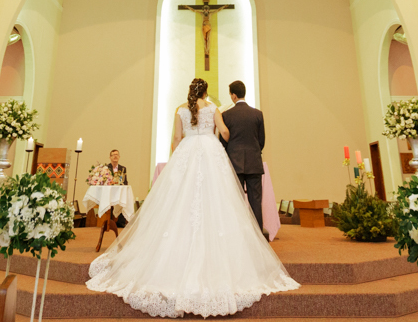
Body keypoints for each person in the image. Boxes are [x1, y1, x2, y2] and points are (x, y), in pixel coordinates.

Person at [86, 77, 298, 318]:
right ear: (205, 93)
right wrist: (221, 138)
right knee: (219, 199)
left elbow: (176, 139)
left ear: (190, 91)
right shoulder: (213, 108)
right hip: (210, 151)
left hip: (187, 151)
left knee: (181, 202)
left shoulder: (180, 110)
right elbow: (225, 132)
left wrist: (178, 160)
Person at [221, 80, 267, 238]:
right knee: (256, 202)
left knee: (236, 201)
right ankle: (258, 237)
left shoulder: (226, 115)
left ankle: (238, 236)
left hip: (235, 164)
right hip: (254, 163)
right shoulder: (257, 114)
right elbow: (261, 141)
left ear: (233, 96)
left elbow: (223, 142)